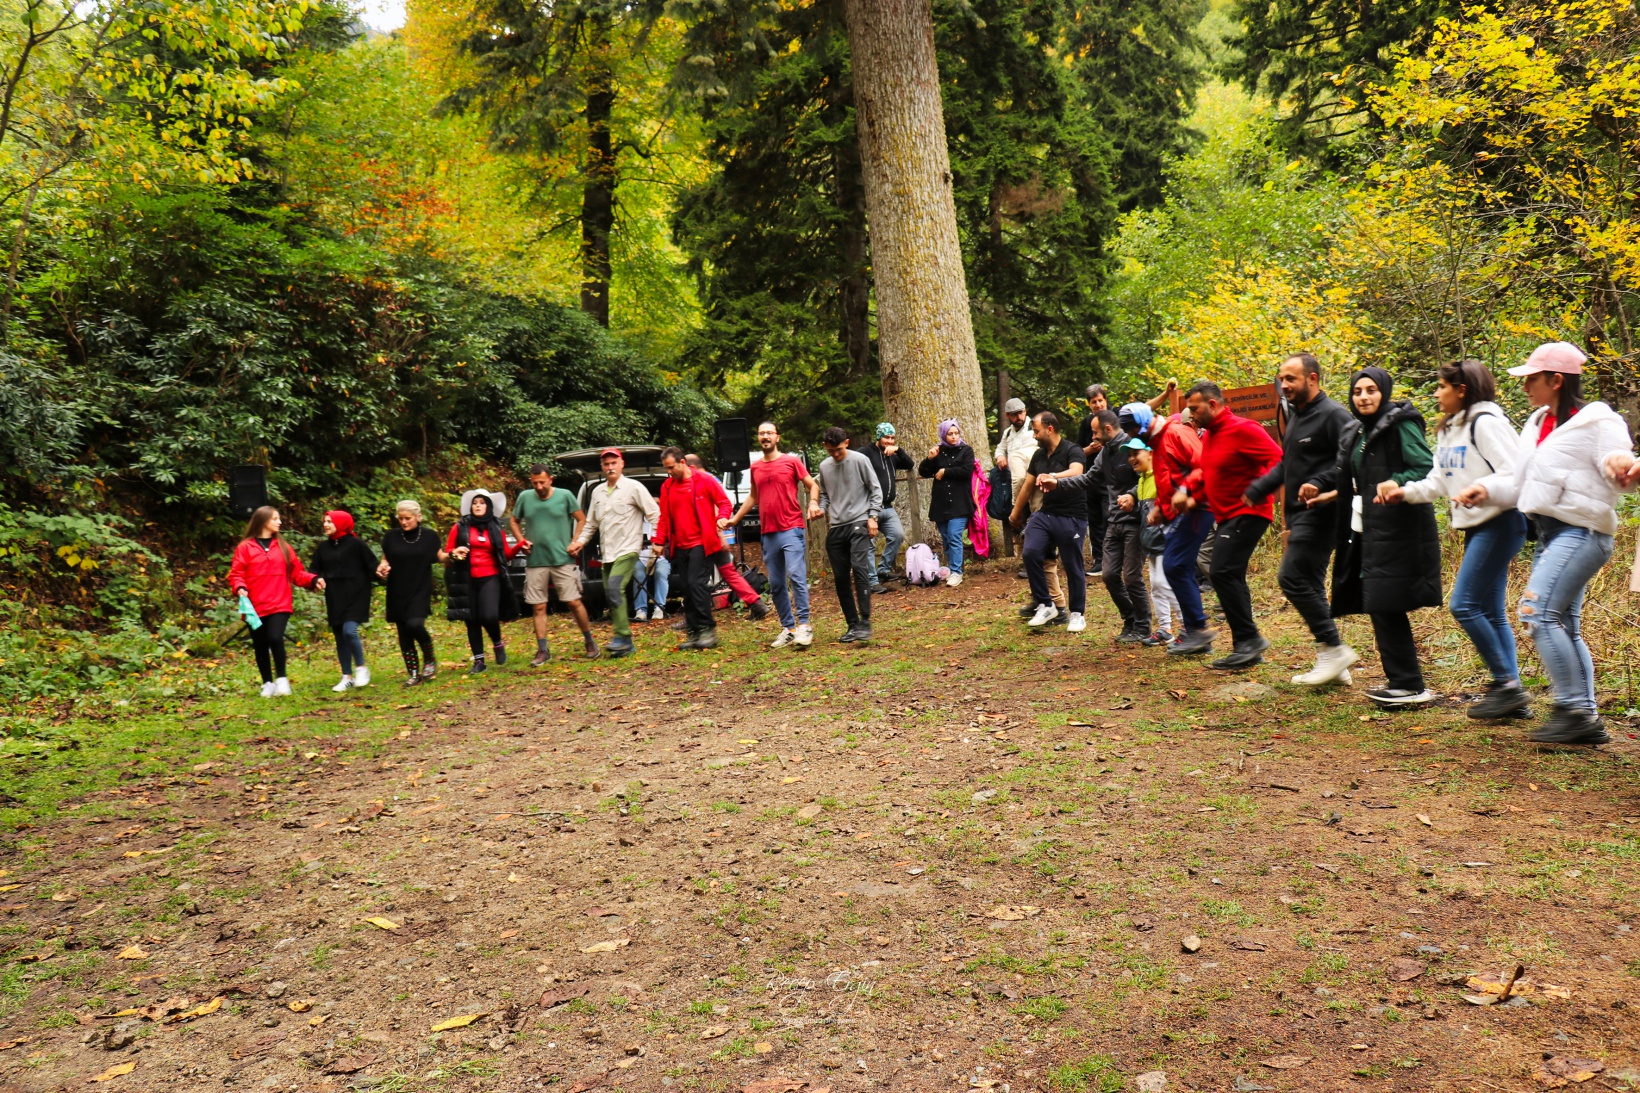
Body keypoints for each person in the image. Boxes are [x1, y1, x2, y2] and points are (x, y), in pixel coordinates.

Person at [1460, 342, 1636, 745]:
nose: (1525, 387)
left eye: (1532, 379)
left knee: (1537, 614)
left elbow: (1617, 456)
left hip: (1583, 532)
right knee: (1565, 624)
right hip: (1550, 533)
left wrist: (1618, 463)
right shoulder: (1539, 421)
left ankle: (1572, 709)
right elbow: (1522, 484)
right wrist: (1485, 489)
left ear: (1557, 380)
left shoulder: (1597, 420)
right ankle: (1585, 715)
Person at [1381, 359, 1526, 717]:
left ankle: (1505, 684)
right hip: (1476, 526)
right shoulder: (1449, 429)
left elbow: (1518, 473)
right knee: (1490, 611)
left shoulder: (1487, 424)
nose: (1436, 392)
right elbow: (1438, 481)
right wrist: (1404, 491)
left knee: (1463, 605)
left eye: (1442, 386)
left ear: (1462, 390)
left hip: (1502, 521)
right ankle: (1513, 695)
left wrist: (1483, 487)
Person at [1314, 368, 1442, 706]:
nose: (1364, 397)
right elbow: (1354, 474)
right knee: (1380, 602)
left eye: (1371, 390)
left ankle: (1410, 685)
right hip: (1369, 526)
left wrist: (1396, 482)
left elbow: (1425, 467)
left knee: (1385, 601)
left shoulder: (1401, 423)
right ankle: (1403, 682)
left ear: (1383, 392)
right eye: (1357, 392)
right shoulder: (1359, 429)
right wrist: (1329, 492)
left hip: (1400, 528)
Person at [1245, 353, 1358, 686]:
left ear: (1312, 379)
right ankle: (1335, 662)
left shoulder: (1335, 415)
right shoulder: (1297, 416)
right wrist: (1260, 487)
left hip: (1325, 512)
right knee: (1308, 581)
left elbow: (1349, 461)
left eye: (1290, 379)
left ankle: (1334, 650)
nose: (1284, 385)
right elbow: (1288, 464)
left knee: (1292, 578)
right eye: (1281, 378)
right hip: (1301, 513)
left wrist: (1320, 483)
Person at [1172, 381, 1284, 668]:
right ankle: (1247, 647)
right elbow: (1211, 477)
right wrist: (1191, 497)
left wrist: (1258, 489)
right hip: (1227, 515)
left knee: (1220, 570)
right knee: (1230, 574)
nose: (1191, 414)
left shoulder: (1245, 428)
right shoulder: (1209, 436)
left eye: (1195, 408)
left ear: (1212, 405)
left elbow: (1279, 460)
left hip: (1250, 511)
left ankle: (1249, 640)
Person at [725, 421, 820, 648]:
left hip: (791, 527)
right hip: (768, 533)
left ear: (777, 437)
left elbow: (812, 485)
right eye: (761, 433)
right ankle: (789, 628)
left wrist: (813, 503)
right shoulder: (756, 467)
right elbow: (753, 497)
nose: (765, 436)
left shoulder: (791, 462)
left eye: (769, 433)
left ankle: (805, 626)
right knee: (776, 584)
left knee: (796, 576)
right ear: (758, 438)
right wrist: (735, 519)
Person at [569, 448, 661, 658]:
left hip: (628, 550)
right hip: (607, 553)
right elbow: (591, 523)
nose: (610, 467)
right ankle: (625, 643)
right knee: (611, 594)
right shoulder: (597, 492)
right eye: (606, 464)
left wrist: (657, 539)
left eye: (613, 463)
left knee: (614, 588)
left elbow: (654, 513)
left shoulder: (634, 488)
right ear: (602, 467)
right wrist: (579, 542)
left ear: (622, 464)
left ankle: (622, 636)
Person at [228, 506, 324, 698]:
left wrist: (312, 579)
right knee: (260, 644)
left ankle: (282, 679)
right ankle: (267, 683)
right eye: (275, 519)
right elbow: (236, 573)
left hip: (280, 602)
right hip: (254, 605)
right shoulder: (245, 547)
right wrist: (240, 587)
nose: (279, 522)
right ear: (263, 521)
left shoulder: (284, 547)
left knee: (274, 637)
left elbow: (296, 573)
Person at [509, 464, 599, 665]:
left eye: (542, 482)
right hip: (536, 560)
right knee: (538, 606)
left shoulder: (565, 495)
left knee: (574, 602)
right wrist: (521, 541)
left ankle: (589, 641)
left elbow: (581, 519)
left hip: (562, 558)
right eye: (534, 483)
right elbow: (514, 521)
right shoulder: (525, 497)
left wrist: (576, 541)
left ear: (551, 479)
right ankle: (542, 650)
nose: (539, 487)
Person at [653, 446, 737, 650]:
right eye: (666, 469)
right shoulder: (667, 487)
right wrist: (659, 540)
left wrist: (721, 518)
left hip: (702, 542)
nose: (669, 472)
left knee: (696, 584)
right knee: (687, 589)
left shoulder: (704, 481)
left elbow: (724, 502)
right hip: (679, 545)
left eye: (671, 467)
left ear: (682, 463)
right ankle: (693, 632)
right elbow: (664, 517)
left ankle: (708, 630)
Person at [1013, 412, 1089, 633]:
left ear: (1050, 429)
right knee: (1030, 553)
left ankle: (1077, 614)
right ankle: (1046, 604)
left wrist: (1053, 476)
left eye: (1036, 430)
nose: (1034, 435)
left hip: (1072, 516)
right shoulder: (1038, 455)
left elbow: (1077, 471)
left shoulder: (1072, 449)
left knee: (1072, 565)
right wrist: (1016, 513)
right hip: (1046, 514)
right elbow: (1027, 486)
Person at [683, 453, 772, 622]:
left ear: (690, 466)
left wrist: (720, 536)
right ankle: (756, 603)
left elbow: (716, 508)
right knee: (729, 573)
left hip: (711, 538)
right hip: (714, 536)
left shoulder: (703, 480)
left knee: (696, 577)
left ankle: (693, 617)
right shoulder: (711, 479)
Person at [817, 427, 884, 643]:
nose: (835, 455)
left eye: (838, 449)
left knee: (860, 567)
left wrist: (873, 516)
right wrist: (819, 508)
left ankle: (865, 620)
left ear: (846, 442)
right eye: (830, 451)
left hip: (859, 521)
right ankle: (852, 624)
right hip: (837, 526)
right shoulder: (824, 466)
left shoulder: (860, 460)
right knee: (840, 577)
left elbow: (875, 490)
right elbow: (826, 495)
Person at [445, 490, 522, 674]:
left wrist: (520, 546)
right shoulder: (460, 527)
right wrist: (455, 553)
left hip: (490, 576)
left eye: (482, 503)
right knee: (471, 619)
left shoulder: (495, 526)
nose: (478, 505)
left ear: (488, 506)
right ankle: (479, 660)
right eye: (475, 503)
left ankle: (497, 643)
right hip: (466, 577)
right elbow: (449, 550)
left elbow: (505, 554)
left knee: (488, 615)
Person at [376, 500, 448, 686]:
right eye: (400, 518)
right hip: (397, 589)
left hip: (419, 588)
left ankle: (429, 656)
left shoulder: (429, 536)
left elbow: (440, 557)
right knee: (404, 633)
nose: (404, 522)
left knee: (415, 624)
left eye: (407, 518)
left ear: (418, 517)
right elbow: (385, 560)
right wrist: (382, 567)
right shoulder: (391, 537)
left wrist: (454, 555)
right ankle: (414, 674)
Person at [1098, 405, 1152, 642]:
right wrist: (1059, 483)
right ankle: (1130, 618)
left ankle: (1142, 625)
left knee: (1132, 577)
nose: (1131, 459)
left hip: (1134, 522)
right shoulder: (1107, 453)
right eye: (1128, 455)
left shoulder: (1141, 449)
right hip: (1114, 521)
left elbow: (1148, 479)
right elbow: (1090, 478)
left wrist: (1131, 495)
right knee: (1109, 574)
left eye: (1095, 432)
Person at [308, 510, 379, 692]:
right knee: (340, 636)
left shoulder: (356, 545)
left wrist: (381, 572)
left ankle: (361, 667)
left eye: (330, 521)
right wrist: (315, 580)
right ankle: (346, 676)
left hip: (357, 593)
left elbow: (373, 566)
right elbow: (313, 570)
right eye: (324, 521)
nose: (326, 525)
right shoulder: (323, 548)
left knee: (349, 631)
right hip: (335, 595)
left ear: (341, 523)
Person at [1120, 438, 1180, 645]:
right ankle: (1165, 628)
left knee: (1167, 584)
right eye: (1129, 455)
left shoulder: (1161, 475)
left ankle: (1191, 628)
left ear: (1150, 453)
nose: (1131, 459)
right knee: (1156, 585)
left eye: (1135, 453)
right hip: (1152, 543)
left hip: (1166, 540)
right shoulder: (1142, 479)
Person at [918, 420, 975, 587]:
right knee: (946, 538)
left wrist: (945, 471)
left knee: (954, 536)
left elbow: (966, 471)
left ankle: (957, 571)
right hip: (941, 503)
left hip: (960, 503)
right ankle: (952, 568)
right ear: (944, 435)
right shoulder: (939, 451)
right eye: (950, 434)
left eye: (956, 433)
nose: (953, 437)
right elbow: (924, 472)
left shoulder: (966, 450)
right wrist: (930, 459)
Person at [865, 422, 915, 585]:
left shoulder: (892, 456)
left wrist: (898, 450)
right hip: (868, 508)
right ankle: (871, 581)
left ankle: (883, 569)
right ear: (879, 437)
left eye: (892, 438)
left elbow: (909, 464)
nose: (890, 441)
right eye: (886, 437)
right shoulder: (865, 453)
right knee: (869, 544)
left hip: (887, 507)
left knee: (897, 535)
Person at [1076, 384, 1111, 573]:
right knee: (1095, 519)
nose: (1097, 405)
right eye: (1093, 402)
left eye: (1100, 400)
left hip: (1111, 478)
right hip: (1091, 477)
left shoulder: (1115, 418)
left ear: (1105, 401)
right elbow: (1077, 451)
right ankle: (1099, 560)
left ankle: (1113, 558)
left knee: (1109, 517)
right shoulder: (1086, 423)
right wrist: (1089, 450)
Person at [634, 531, 668, 623]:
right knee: (638, 574)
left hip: (661, 557)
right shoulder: (637, 521)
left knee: (660, 572)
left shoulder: (659, 519)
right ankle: (640, 610)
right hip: (640, 557)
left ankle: (659, 608)